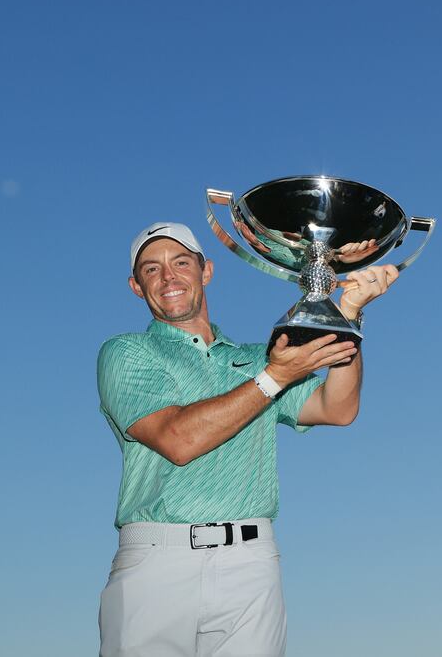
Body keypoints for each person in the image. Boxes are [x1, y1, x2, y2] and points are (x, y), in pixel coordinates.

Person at [97, 221, 397, 657]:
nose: (168, 277)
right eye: (151, 269)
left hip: (251, 561)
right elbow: (177, 439)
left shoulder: (257, 359)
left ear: (206, 271)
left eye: (181, 263)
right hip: (157, 559)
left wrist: (348, 315)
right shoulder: (126, 352)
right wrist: (273, 378)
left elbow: (337, 408)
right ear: (135, 286)